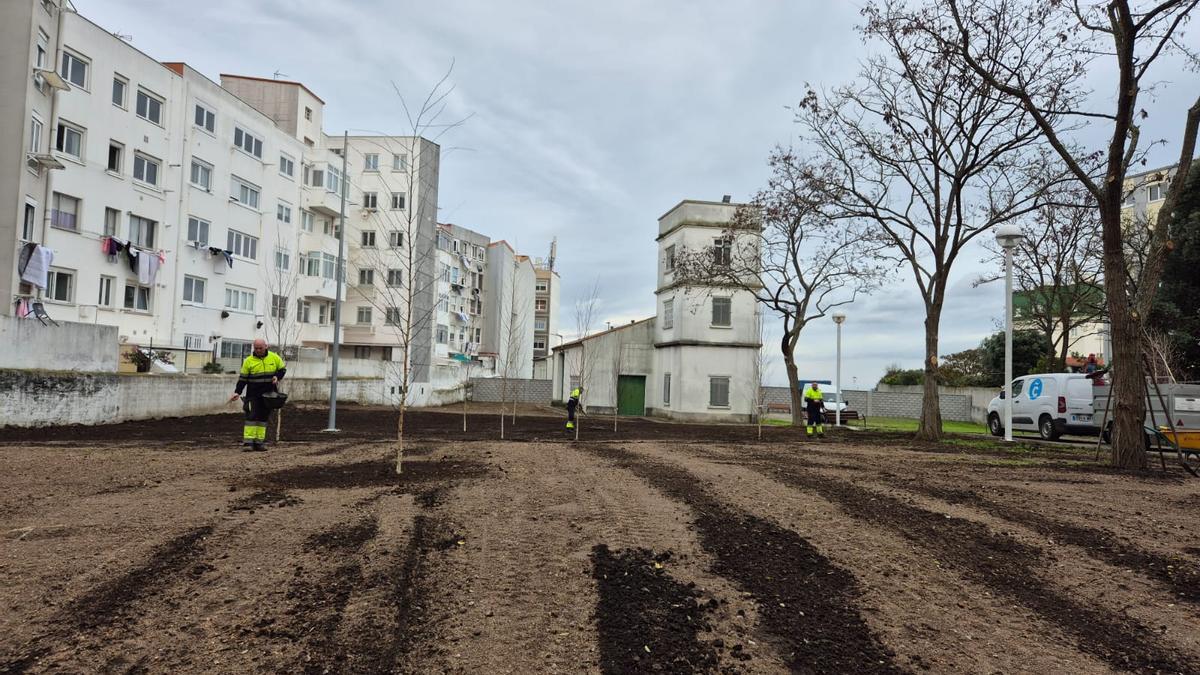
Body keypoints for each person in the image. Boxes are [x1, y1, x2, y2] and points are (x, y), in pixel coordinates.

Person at [227, 339, 286, 451]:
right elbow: (243, 379)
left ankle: (259, 443)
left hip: (268, 395)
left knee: (263, 418)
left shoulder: (274, 357)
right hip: (253, 395)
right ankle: (248, 443)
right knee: (251, 417)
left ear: (266, 346)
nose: (258, 350)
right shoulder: (248, 361)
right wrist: (237, 392)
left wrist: (277, 376)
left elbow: (282, 369)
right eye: (256, 348)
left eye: (260, 348)